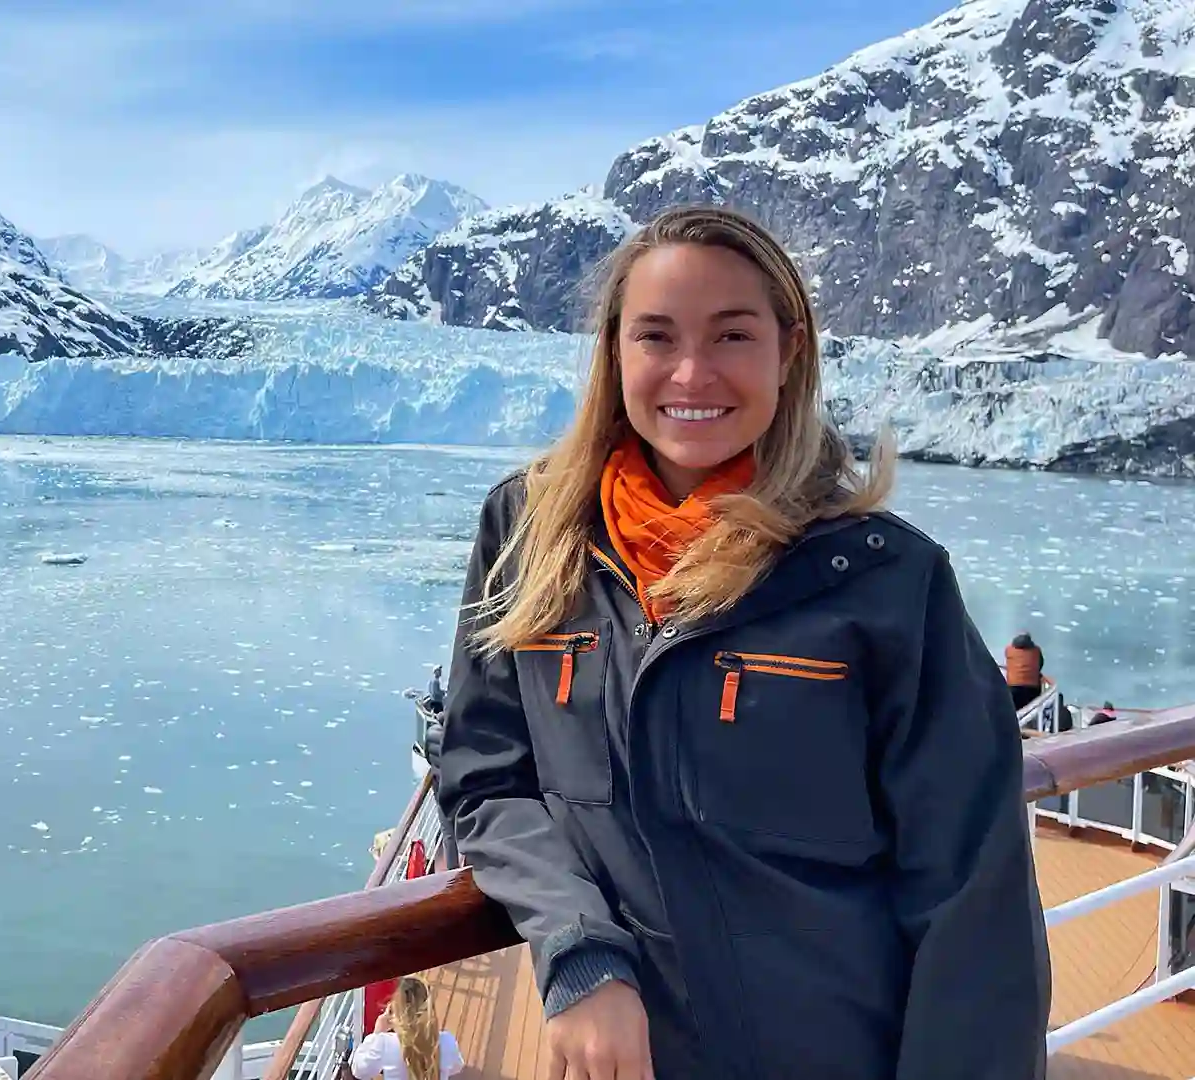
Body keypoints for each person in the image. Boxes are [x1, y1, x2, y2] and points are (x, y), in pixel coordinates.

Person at [434, 205, 1050, 1080]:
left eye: (731, 334)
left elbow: (972, 901)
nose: (692, 372)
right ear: (615, 350)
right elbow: (488, 774)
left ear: (788, 349)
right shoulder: (529, 534)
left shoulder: (881, 577)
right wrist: (577, 948)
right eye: (657, 335)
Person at [348, 976, 464, 1080]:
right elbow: (457, 1066)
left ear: (396, 1010)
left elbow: (359, 1071)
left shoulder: (385, 1043)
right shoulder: (447, 1042)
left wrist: (377, 1033)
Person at [1005, 631, 1044, 712]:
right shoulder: (1036, 650)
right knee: (1031, 709)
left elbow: (1009, 663)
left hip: (1013, 687)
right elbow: (1040, 664)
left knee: (1015, 709)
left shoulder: (1009, 649)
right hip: (1032, 688)